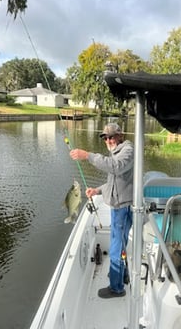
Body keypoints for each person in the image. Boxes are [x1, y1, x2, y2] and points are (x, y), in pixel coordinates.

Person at [70, 122, 134, 299]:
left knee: (116, 248)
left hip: (123, 209)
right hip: (117, 207)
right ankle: (122, 274)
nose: (108, 140)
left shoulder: (127, 150)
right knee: (120, 245)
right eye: (105, 137)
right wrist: (97, 190)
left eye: (112, 136)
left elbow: (115, 167)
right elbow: (114, 182)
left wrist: (87, 155)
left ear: (120, 136)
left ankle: (117, 288)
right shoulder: (116, 152)